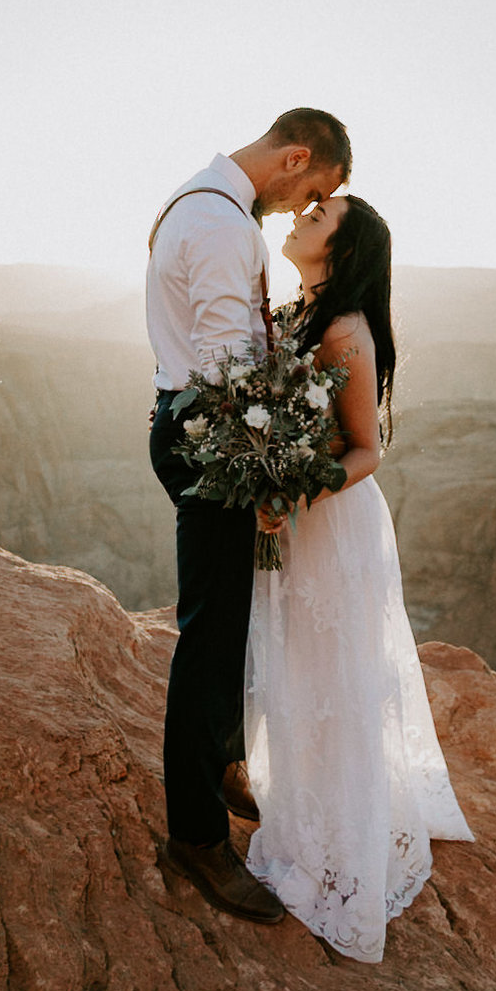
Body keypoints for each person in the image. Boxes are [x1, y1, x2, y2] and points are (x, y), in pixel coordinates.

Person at [241, 193, 473, 960]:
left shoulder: (344, 331)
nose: (301, 217)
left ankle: (342, 838)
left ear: (341, 253)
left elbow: (368, 448)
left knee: (336, 675)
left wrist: (293, 489)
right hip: (300, 522)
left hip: (333, 522)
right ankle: (308, 809)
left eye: (320, 215)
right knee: (302, 670)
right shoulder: (301, 313)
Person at [146, 108, 349, 922]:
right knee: (212, 631)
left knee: (234, 615)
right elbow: (232, 366)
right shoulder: (225, 227)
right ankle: (195, 834)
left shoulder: (199, 200)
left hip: (186, 421)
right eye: (315, 188)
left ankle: (224, 759)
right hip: (210, 443)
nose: (304, 206)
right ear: (295, 155)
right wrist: (266, 471)